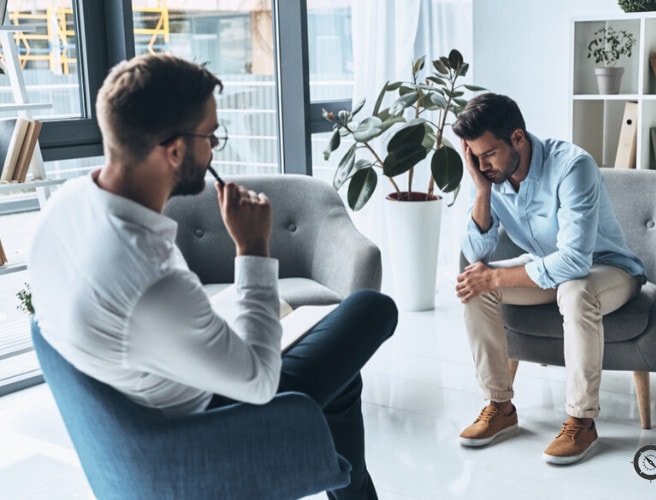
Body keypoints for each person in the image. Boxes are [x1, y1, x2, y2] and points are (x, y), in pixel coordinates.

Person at [28, 53, 397, 499]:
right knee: (371, 309)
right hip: (208, 416)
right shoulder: (151, 280)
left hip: (153, 374)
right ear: (176, 150)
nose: (214, 150)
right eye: (212, 137)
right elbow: (259, 383)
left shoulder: (61, 206)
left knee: (340, 377)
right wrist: (253, 250)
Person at [451, 93, 646, 465]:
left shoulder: (573, 166)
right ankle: (500, 407)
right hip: (547, 268)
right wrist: (482, 189)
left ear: (518, 139)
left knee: (576, 291)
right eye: (474, 157)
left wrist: (498, 276)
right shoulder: (491, 176)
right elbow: (476, 252)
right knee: (473, 285)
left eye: (488, 154)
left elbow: (574, 261)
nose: (482, 164)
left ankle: (581, 420)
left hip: (608, 269)